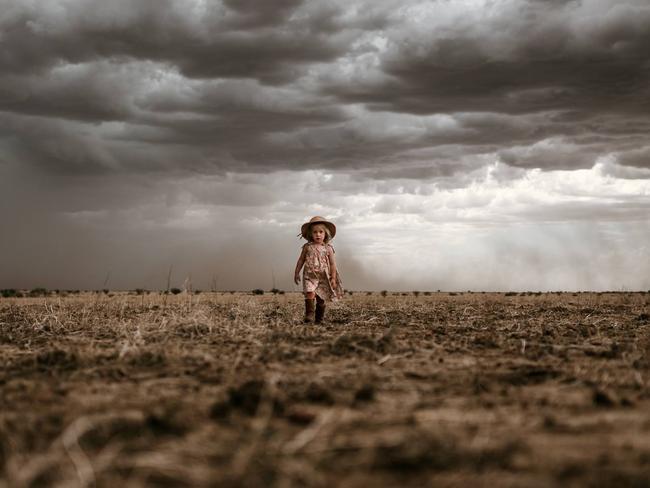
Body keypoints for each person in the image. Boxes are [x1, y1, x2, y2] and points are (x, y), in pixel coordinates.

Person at [294, 216, 343, 324]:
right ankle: (309, 315)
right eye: (315, 232)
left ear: (326, 234)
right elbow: (301, 260)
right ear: (311, 234)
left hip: (323, 277)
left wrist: (333, 278)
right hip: (309, 276)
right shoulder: (307, 247)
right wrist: (296, 272)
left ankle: (319, 319)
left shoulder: (328, 248)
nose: (318, 234)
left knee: (321, 299)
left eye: (321, 232)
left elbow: (332, 264)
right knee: (310, 293)